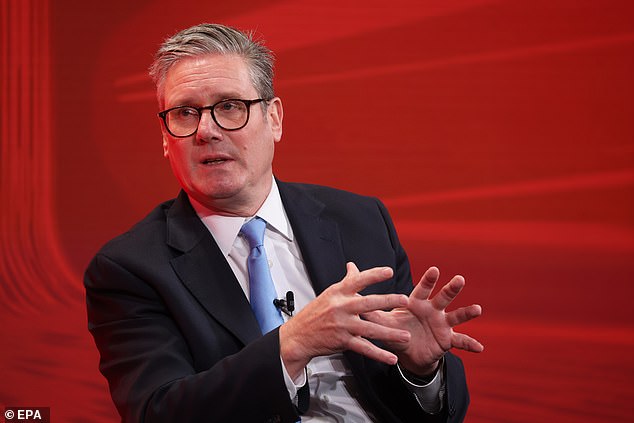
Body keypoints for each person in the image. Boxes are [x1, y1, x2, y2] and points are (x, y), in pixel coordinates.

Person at [84, 23, 483, 423]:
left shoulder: (360, 221)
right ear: (165, 137)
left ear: (273, 119)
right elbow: (160, 412)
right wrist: (292, 344)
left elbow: (437, 414)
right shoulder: (130, 269)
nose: (205, 131)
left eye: (229, 107)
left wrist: (421, 370)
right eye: (185, 113)